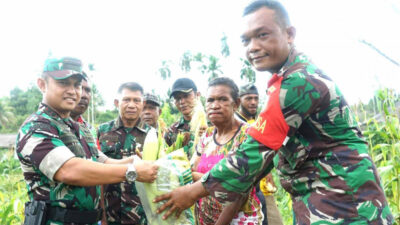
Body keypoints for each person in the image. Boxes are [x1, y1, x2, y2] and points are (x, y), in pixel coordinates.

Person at [154, 1, 394, 224]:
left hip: (345, 201)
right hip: (326, 197)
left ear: (289, 34)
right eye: (246, 41)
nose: (253, 48)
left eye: (262, 35)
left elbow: (255, 152)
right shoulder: (285, 80)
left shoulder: (299, 83)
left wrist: (191, 192)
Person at [16, 57, 158, 225]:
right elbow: (69, 170)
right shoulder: (36, 127)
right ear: (42, 84)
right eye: (63, 83)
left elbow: (101, 160)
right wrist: (131, 171)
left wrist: (131, 161)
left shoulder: (80, 128)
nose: (72, 91)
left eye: (77, 85)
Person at [191, 77, 263, 225]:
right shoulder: (207, 136)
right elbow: (191, 170)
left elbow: (240, 189)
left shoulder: (248, 135)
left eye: (222, 99)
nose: (215, 105)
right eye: (210, 100)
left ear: (235, 104)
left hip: (238, 219)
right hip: (205, 217)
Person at [97, 82, 152, 225]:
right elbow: (96, 171)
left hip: (142, 215)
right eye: (126, 100)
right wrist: (101, 214)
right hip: (110, 212)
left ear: (143, 104)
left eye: (136, 100)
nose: (132, 105)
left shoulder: (153, 135)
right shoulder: (102, 131)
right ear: (117, 102)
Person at [236, 83, 283, 225]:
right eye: (248, 98)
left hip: (263, 190)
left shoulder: (258, 121)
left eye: (256, 98)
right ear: (239, 100)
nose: (253, 102)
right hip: (245, 192)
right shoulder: (237, 124)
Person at [164, 77, 200, 159]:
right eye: (177, 98)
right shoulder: (172, 131)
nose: (182, 102)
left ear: (197, 95)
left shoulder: (213, 125)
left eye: (186, 96)